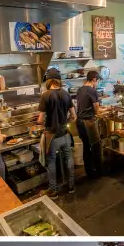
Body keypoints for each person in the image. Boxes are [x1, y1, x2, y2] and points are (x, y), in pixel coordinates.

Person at [38, 68, 77, 197]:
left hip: (52, 135)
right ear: (58, 80)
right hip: (65, 133)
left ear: (48, 81)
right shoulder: (66, 94)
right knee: (68, 158)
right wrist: (65, 120)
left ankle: (53, 190)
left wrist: (40, 122)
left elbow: (40, 119)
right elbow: (74, 116)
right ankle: (71, 186)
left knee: (51, 162)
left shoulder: (45, 95)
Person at [75, 70, 103, 179]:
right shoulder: (92, 90)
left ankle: (89, 171)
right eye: (97, 81)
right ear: (94, 79)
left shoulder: (80, 89)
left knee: (86, 146)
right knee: (96, 146)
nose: (97, 83)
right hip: (89, 122)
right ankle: (99, 171)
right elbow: (96, 109)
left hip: (79, 122)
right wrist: (101, 110)